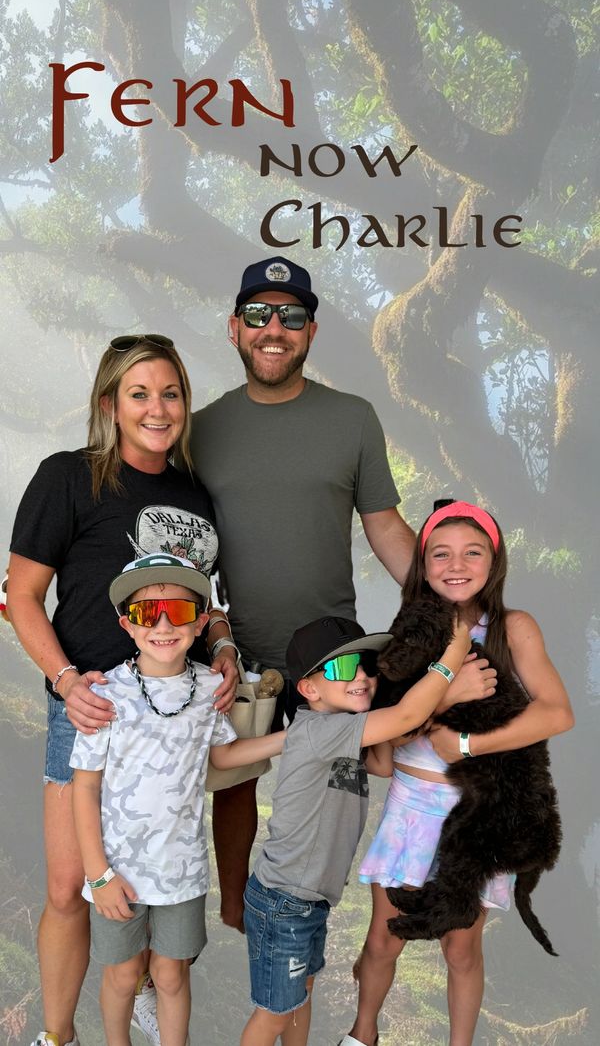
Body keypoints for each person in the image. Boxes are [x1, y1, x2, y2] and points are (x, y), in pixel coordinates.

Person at [8, 335, 238, 1046]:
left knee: (161, 874)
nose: (157, 407)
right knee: (72, 884)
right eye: (139, 392)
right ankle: (56, 1035)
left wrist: (223, 644)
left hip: (172, 715)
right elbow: (22, 594)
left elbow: (212, 599)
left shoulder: (196, 494)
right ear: (110, 402)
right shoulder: (67, 478)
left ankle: (143, 991)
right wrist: (66, 678)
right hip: (91, 705)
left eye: (170, 392)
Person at [191, 255, 416, 931]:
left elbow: (385, 528)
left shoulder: (353, 419)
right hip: (241, 650)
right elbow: (185, 552)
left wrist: (456, 602)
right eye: (259, 314)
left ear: (310, 331)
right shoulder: (200, 430)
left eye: (291, 316)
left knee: (329, 783)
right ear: (234, 328)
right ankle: (235, 912)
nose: (274, 328)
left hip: (332, 650)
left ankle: (304, 911)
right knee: (233, 785)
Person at [341, 501, 574, 1046]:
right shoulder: (407, 634)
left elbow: (556, 712)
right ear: (422, 564)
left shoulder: (513, 628)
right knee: (382, 939)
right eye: (440, 553)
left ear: (494, 562)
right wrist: (448, 693)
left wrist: (467, 743)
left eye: (473, 552)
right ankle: (362, 1033)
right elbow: (389, 730)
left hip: (475, 813)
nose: (456, 564)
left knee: (462, 946)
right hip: (410, 805)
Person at [70, 553, 286, 1046]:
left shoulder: (211, 688)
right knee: (124, 977)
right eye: (148, 614)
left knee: (171, 976)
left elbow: (224, 756)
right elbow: (85, 788)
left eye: (180, 611)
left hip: (182, 871)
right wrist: (98, 874)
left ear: (201, 620)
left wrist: (288, 739)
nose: (164, 624)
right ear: (127, 624)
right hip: (116, 873)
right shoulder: (105, 693)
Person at [240, 612, 472, 1046]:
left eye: (367, 665)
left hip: (308, 900)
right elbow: (406, 717)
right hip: (285, 900)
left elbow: (383, 762)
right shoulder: (320, 730)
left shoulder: (343, 733)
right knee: (273, 1014)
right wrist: (453, 656)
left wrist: (392, 716)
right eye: (343, 668)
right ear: (308, 689)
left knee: (299, 998)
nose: (362, 676)